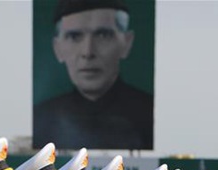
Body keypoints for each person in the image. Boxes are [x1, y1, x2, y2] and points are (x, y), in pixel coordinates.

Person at [33, 0, 153, 149]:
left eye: (103, 35)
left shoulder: (151, 115)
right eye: (74, 37)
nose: (88, 52)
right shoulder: (40, 120)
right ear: (58, 48)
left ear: (126, 43)